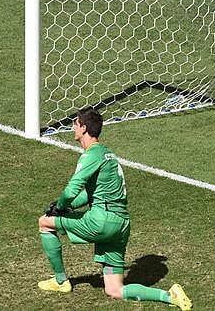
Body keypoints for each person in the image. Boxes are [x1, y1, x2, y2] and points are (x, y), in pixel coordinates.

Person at [37, 107, 192, 310]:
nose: (72, 127)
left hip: (101, 222)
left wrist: (59, 207)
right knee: (114, 290)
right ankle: (170, 296)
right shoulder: (108, 154)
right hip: (120, 226)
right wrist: (68, 207)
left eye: (75, 123)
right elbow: (89, 195)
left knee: (45, 223)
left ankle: (60, 281)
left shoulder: (90, 155)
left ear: (83, 128)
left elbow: (71, 190)